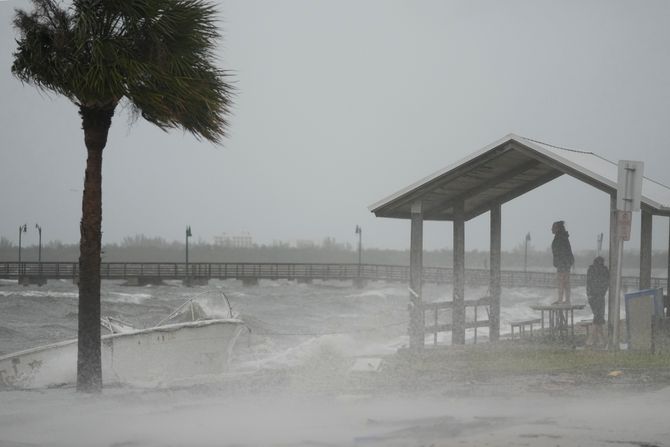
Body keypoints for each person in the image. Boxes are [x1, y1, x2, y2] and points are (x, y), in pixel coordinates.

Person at [586, 256, 609, 346]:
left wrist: (589, 294)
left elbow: (588, 283)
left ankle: (598, 340)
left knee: (598, 317)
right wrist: (603, 291)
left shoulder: (591, 269)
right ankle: (593, 340)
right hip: (600, 296)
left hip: (592, 296)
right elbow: (606, 282)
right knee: (598, 317)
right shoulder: (604, 270)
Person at [551, 220, 574, 304]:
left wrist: (559, 262)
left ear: (557, 228)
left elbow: (560, 252)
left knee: (561, 282)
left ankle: (561, 300)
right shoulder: (563, 237)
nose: (551, 229)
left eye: (553, 227)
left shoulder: (560, 238)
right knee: (565, 282)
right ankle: (566, 300)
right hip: (565, 262)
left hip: (563, 263)